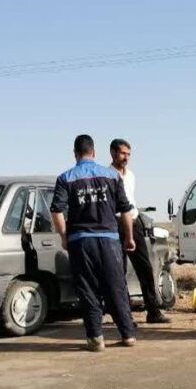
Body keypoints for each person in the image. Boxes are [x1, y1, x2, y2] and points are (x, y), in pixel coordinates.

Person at [50, 134, 138, 351]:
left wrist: (64, 236)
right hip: (109, 240)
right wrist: (129, 238)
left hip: (81, 242)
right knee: (116, 287)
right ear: (94, 152)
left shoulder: (66, 178)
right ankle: (127, 335)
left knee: (88, 289)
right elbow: (125, 210)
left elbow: (56, 210)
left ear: (75, 154)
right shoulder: (111, 176)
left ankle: (96, 339)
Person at [110, 138, 170, 324]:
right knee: (119, 272)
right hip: (115, 223)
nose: (126, 157)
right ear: (113, 153)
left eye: (128, 154)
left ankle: (153, 311)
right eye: (122, 153)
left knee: (145, 267)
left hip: (134, 222)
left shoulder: (131, 175)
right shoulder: (107, 176)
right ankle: (125, 316)